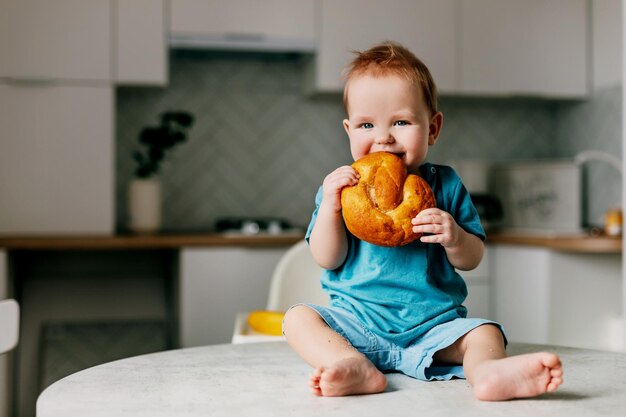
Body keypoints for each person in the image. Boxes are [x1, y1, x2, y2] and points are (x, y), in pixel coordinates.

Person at [282, 42, 563, 401]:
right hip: (359, 325)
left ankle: (490, 373)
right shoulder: (342, 188)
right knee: (297, 319)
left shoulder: (445, 184)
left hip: (434, 329)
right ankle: (350, 364)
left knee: (485, 333)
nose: (384, 136)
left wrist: (455, 237)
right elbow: (327, 258)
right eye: (367, 124)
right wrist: (330, 210)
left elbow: (472, 257)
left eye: (401, 121)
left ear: (432, 128)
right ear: (349, 130)